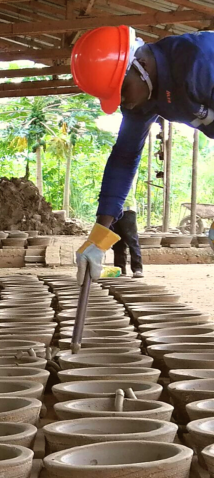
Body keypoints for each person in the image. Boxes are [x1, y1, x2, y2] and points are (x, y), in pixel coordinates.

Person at [71, 26, 214, 284]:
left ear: (142, 65)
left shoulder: (199, 61)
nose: (123, 102)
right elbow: (124, 160)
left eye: (122, 91)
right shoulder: (143, 99)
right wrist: (98, 239)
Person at [111, 185, 143, 278]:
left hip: (127, 209)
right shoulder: (111, 175)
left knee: (132, 240)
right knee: (117, 242)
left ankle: (137, 269)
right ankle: (120, 269)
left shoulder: (128, 171)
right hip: (114, 209)